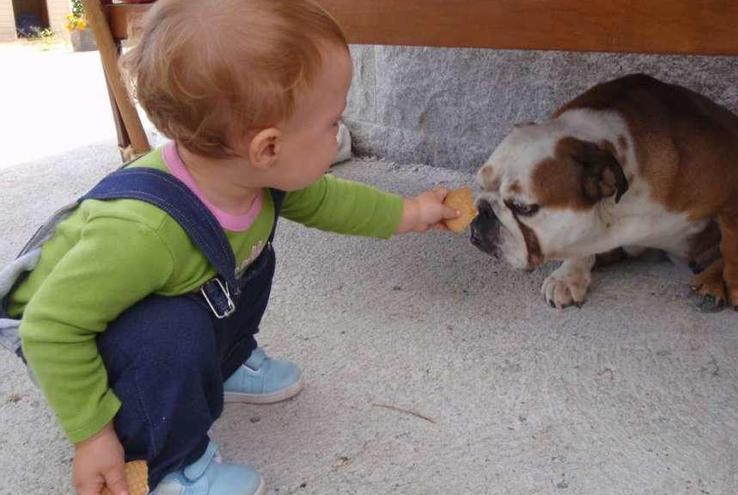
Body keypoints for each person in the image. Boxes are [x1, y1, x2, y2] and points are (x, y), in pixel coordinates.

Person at [1, 0, 459, 493]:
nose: (339, 133)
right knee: (170, 332)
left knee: (248, 260)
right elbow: (51, 328)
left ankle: (226, 361)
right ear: (266, 147)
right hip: (72, 333)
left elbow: (329, 200)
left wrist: (411, 213)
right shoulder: (141, 233)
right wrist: (92, 435)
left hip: (145, 293)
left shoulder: (255, 177)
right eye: (333, 122)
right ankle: (167, 463)